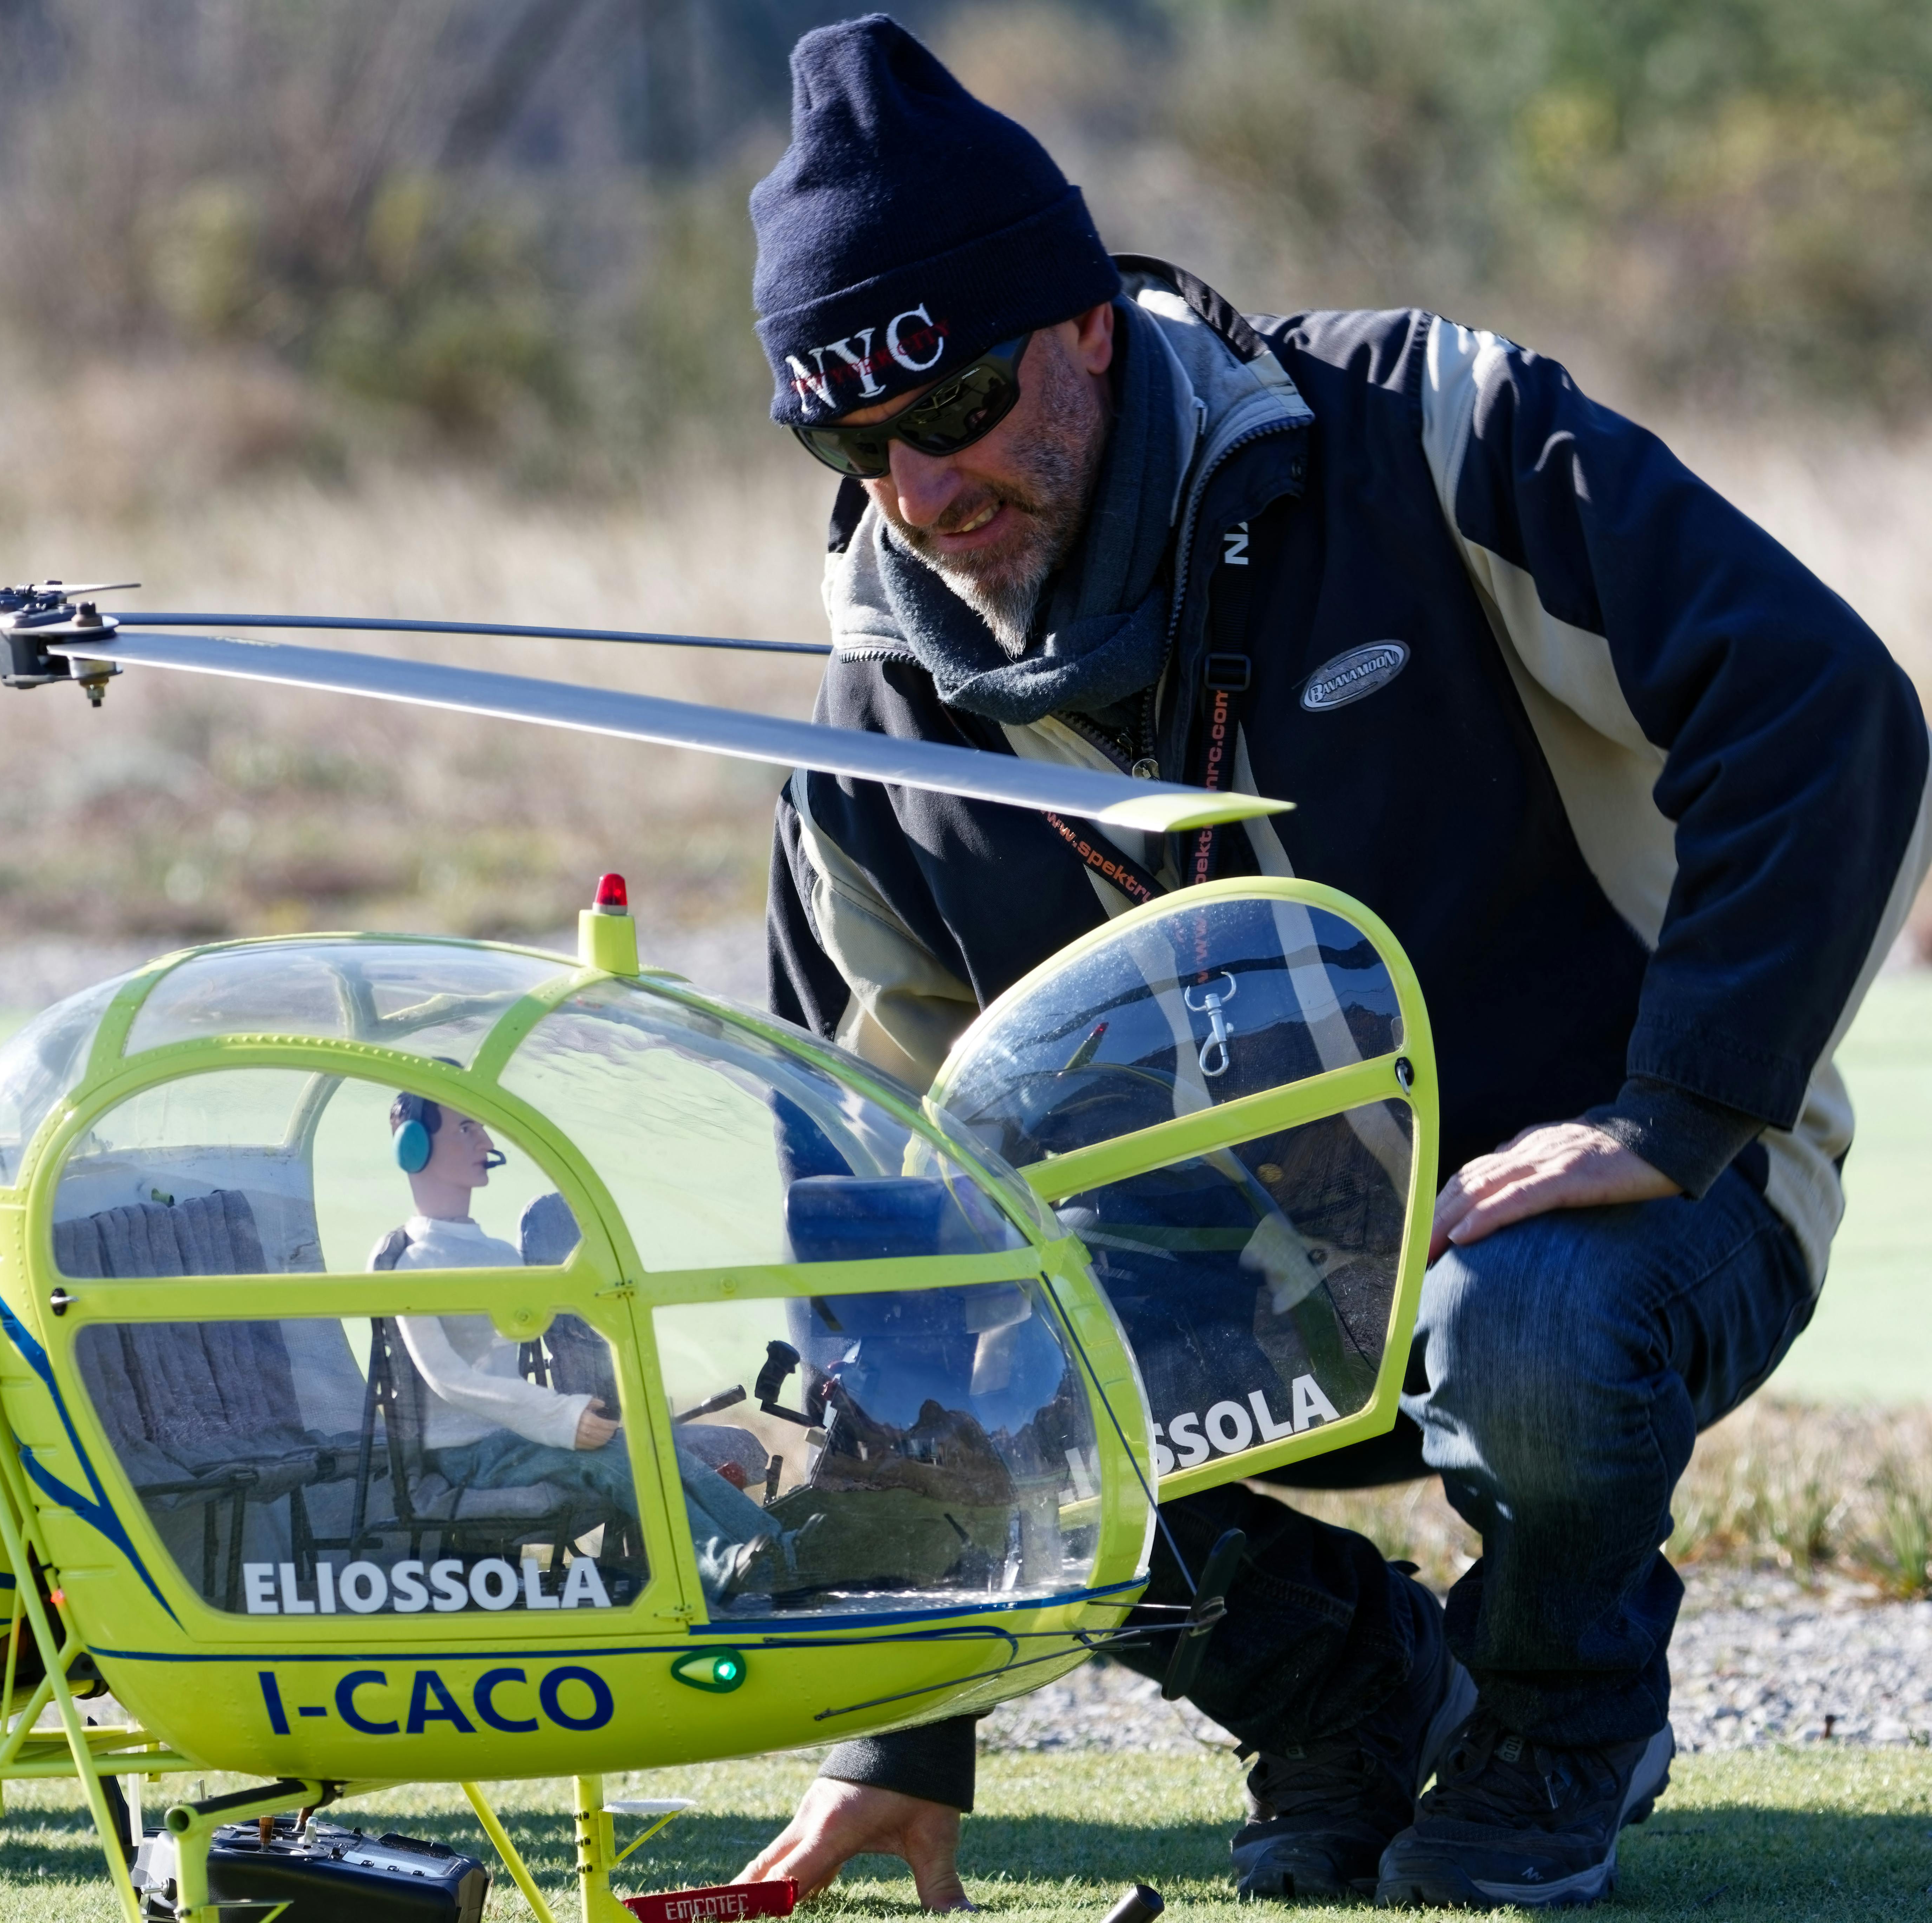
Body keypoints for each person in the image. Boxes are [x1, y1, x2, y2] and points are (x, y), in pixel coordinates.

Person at [733, 15, 1926, 1911]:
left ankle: (1561, 1713)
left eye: (950, 401)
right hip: (1225, 1320)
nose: (918, 491)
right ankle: (1345, 1683)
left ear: (1086, 327)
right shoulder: (869, 736)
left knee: (1532, 1325)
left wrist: (1680, 1105)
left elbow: (1827, 712)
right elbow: (877, 1244)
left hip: (1621, 1222)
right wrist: (908, 1727)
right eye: (845, 439)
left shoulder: (1434, 431)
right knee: (829, 1426)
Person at [369, 1093, 782, 1576]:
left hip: (521, 1438)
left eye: (482, 1128)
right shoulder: (412, 1261)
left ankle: (782, 1546)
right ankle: (718, 1566)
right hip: (467, 1456)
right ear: (413, 1147)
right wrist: (559, 1415)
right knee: (618, 1467)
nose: (485, 1141)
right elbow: (448, 1379)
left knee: (655, 1453)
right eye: (466, 1130)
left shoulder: (500, 1255)